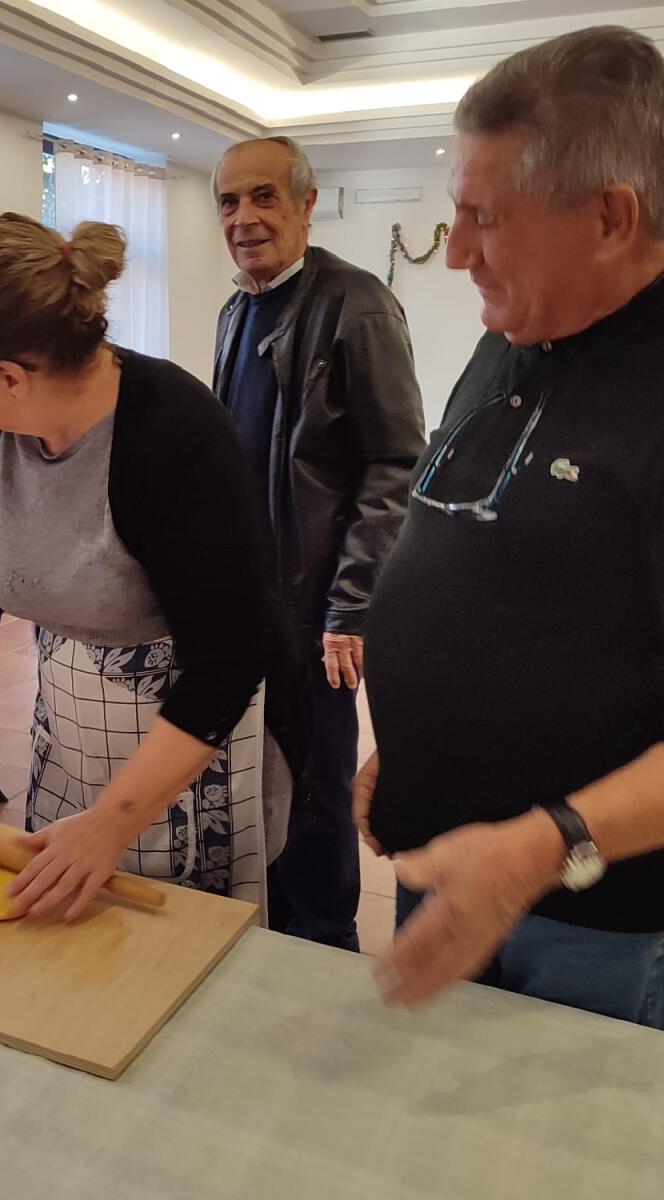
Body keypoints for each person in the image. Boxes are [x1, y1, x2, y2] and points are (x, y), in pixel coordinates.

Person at [355, 26, 664, 1026]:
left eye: (485, 217)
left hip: (595, 917)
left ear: (612, 217)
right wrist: (410, 741)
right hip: (449, 863)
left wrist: (541, 848)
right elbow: (491, 560)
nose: (453, 254)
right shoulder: (519, 331)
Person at [0, 213, 287, 921]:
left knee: (166, 941)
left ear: (9, 376)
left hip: (188, 737)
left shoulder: (174, 431)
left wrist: (112, 822)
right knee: (65, 923)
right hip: (68, 721)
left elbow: (227, 660)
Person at [212, 136, 426, 951]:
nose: (245, 218)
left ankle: (324, 946)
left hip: (317, 610)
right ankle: (265, 931)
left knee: (316, 788)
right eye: (229, 202)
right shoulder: (238, 308)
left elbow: (396, 462)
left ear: (306, 203)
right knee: (254, 776)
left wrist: (351, 605)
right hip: (251, 603)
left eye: (264, 197)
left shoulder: (358, 304)